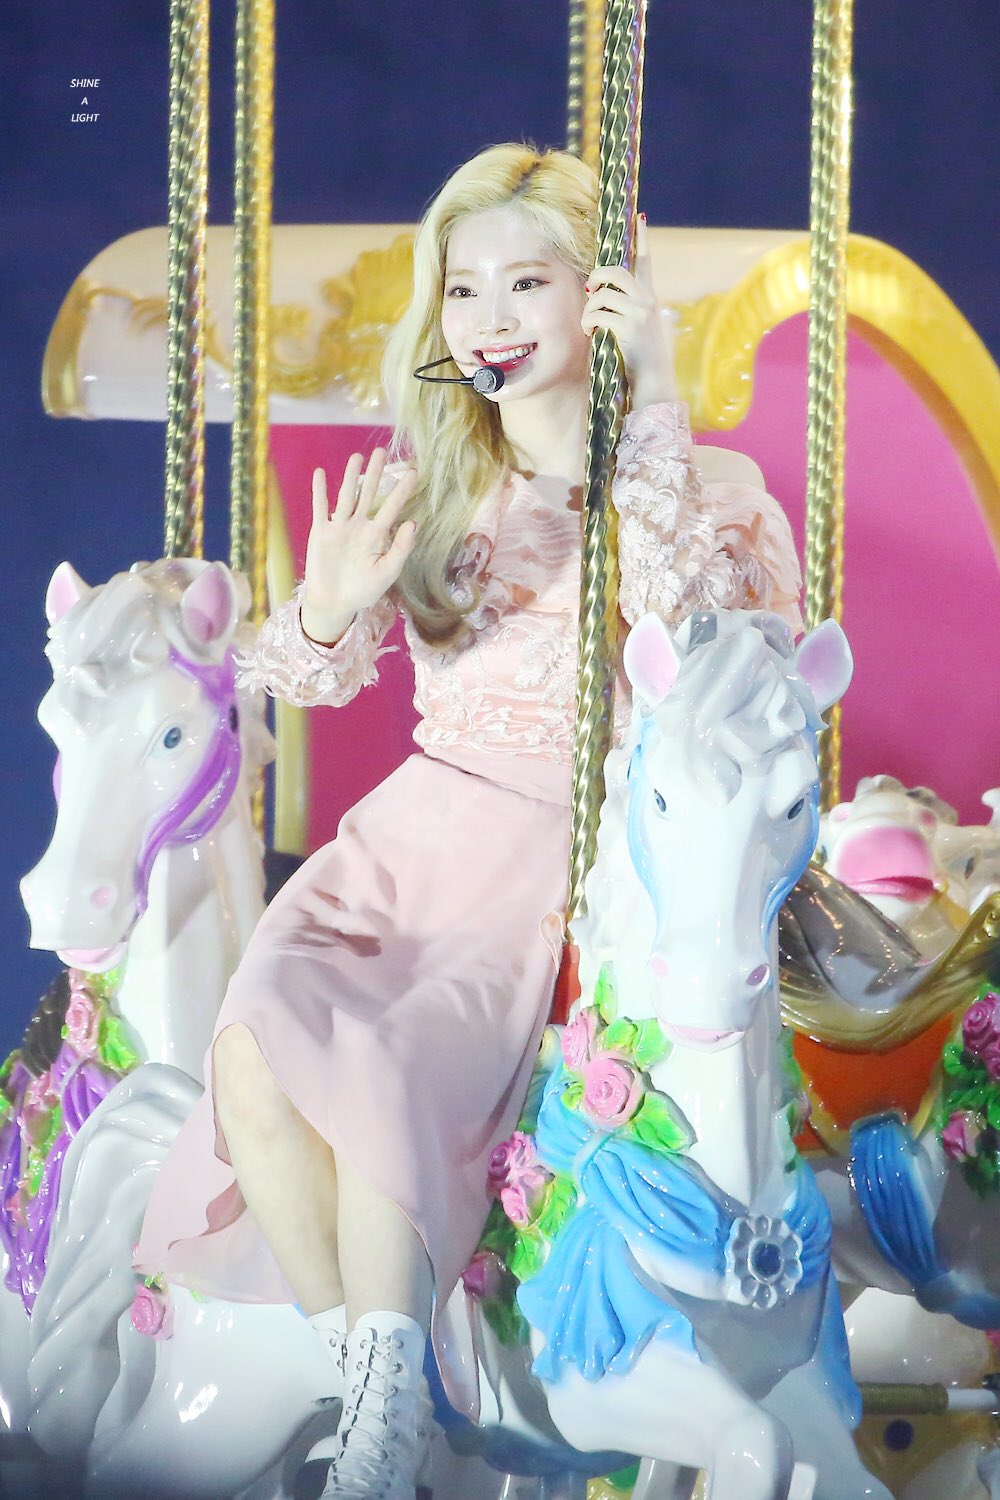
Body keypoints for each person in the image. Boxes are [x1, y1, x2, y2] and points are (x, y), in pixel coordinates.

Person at [136, 142, 802, 1499]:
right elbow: (300, 679)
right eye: (463, 288)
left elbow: (692, 633)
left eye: (528, 283)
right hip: (401, 843)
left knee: (387, 1060)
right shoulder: (444, 484)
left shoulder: (702, 490)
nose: (490, 317)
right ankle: (379, 1387)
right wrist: (328, 606)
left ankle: (386, 1420)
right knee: (251, 1050)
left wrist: (651, 401)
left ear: (601, 292)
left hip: (549, 852)